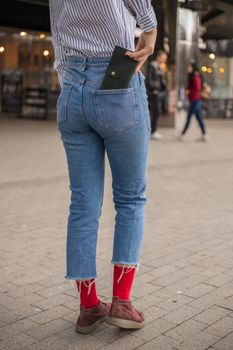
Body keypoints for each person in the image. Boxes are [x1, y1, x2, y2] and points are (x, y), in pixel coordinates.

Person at [49, 0, 157, 334]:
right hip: (116, 73)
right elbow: (142, 10)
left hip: (72, 88)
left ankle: (89, 307)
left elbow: (57, 31)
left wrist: (70, 78)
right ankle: (122, 302)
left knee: (82, 206)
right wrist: (149, 33)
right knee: (130, 198)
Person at [180, 62, 209, 141]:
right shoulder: (191, 77)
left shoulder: (196, 76)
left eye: (189, 67)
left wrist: (189, 92)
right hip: (194, 100)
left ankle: (183, 134)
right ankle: (204, 134)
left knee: (189, 117)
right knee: (199, 118)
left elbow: (197, 89)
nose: (188, 69)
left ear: (193, 68)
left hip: (196, 100)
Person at [146, 50, 168, 140]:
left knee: (157, 112)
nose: (164, 59)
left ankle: (153, 131)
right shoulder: (152, 65)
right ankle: (152, 131)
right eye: (163, 57)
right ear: (158, 57)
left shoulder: (161, 67)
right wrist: (153, 89)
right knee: (155, 112)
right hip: (154, 93)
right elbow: (150, 79)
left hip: (159, 93)